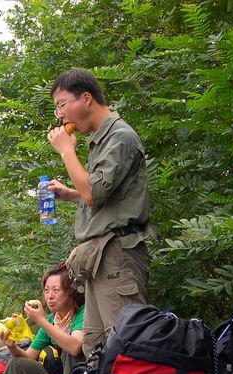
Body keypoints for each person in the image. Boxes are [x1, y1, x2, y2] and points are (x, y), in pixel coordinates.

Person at [46, 68, 153, 357]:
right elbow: (104, 195)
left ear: (86, 98)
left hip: (117, 254)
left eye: (61, 105)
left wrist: (67, 152)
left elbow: (93, 193)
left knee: (126, 344)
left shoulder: (120, 136)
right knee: (95, 346)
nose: (59, 116)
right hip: (99, 259)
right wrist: (70, 193)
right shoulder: (100, 140)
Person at [0, 265, 85, 374]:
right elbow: (28, 357)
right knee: (17, 363)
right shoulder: (50, 320)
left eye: (56, 290)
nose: (50, 296)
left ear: (70, 292)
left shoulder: (82, 313)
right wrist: (12, 346)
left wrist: (41, 321)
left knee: (67, 352)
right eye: (46, 290)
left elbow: (75, 347)